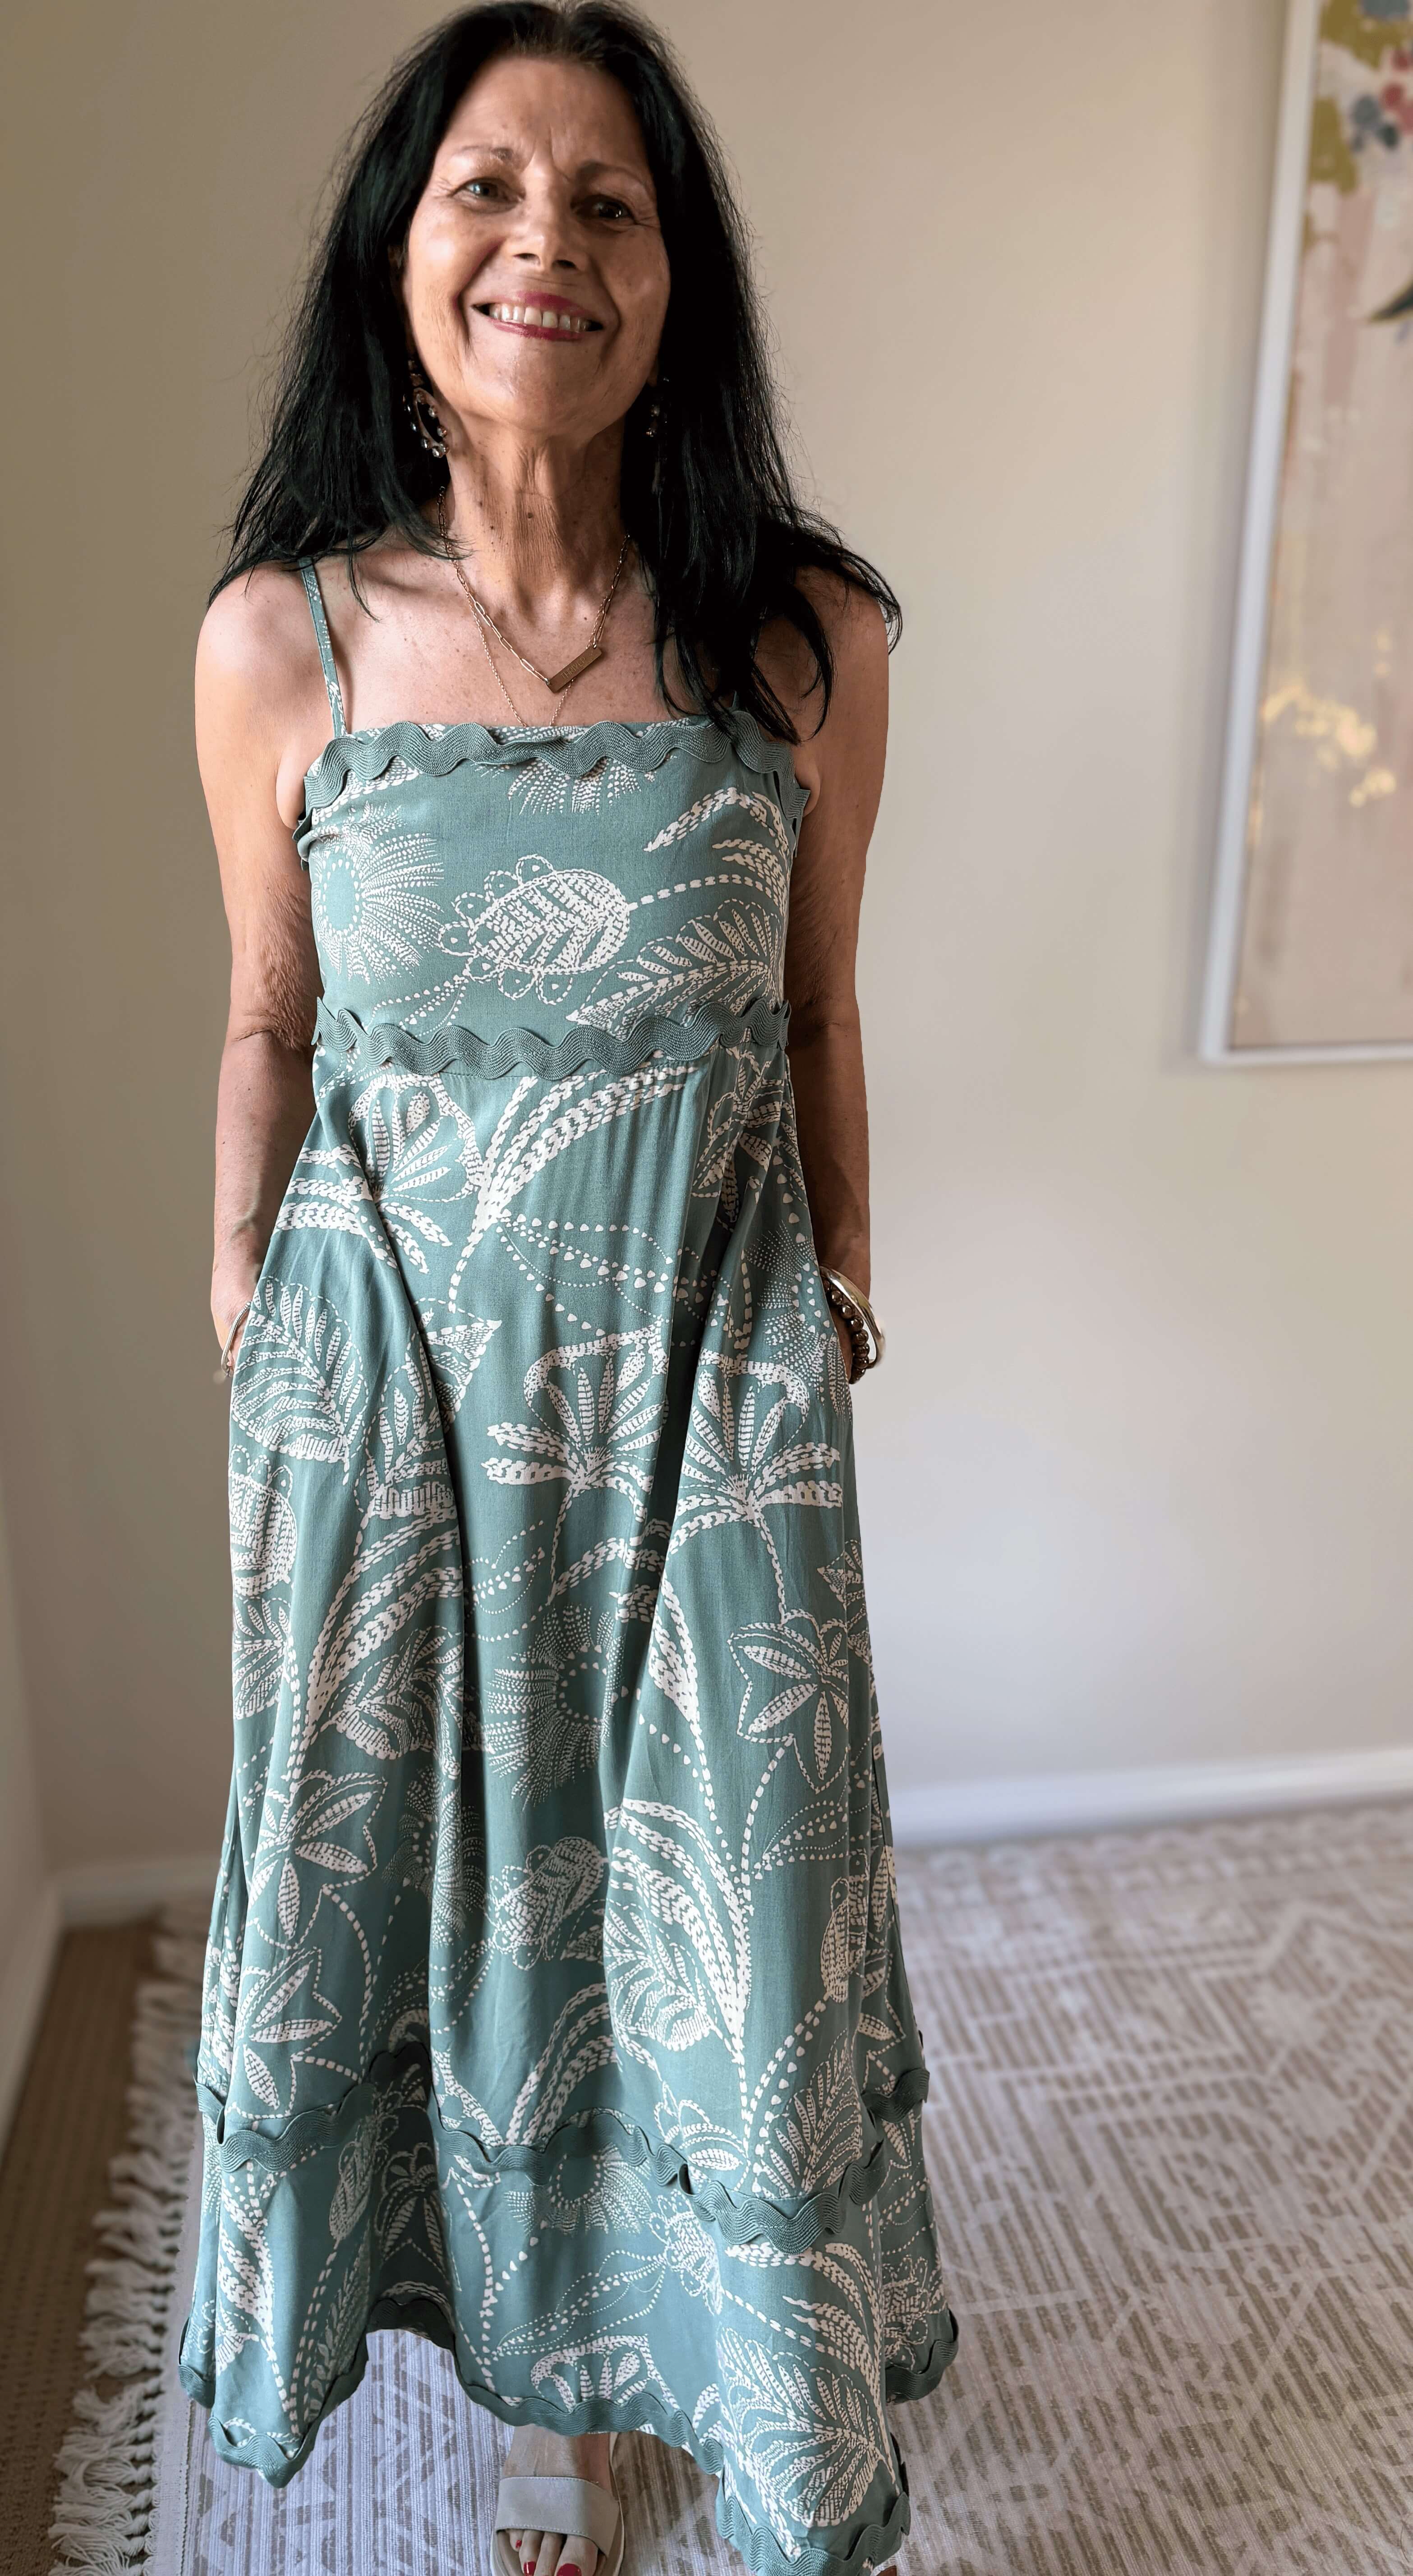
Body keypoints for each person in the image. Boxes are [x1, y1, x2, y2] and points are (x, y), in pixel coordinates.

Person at [178, 7, 957, 2571]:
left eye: (610, 203)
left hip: (706, 1391)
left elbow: (819, 1011)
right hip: (394, 1396)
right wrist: (243, 1295)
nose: (548, 246)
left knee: (722, 1917)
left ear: (676, 275)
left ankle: (717, 2368)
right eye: (488, 192)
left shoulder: (806, 642)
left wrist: (840, 1291)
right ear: (397, 256)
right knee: (449, 1923)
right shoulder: (282, 646)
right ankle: (540, 2407)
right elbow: (271, 1016)